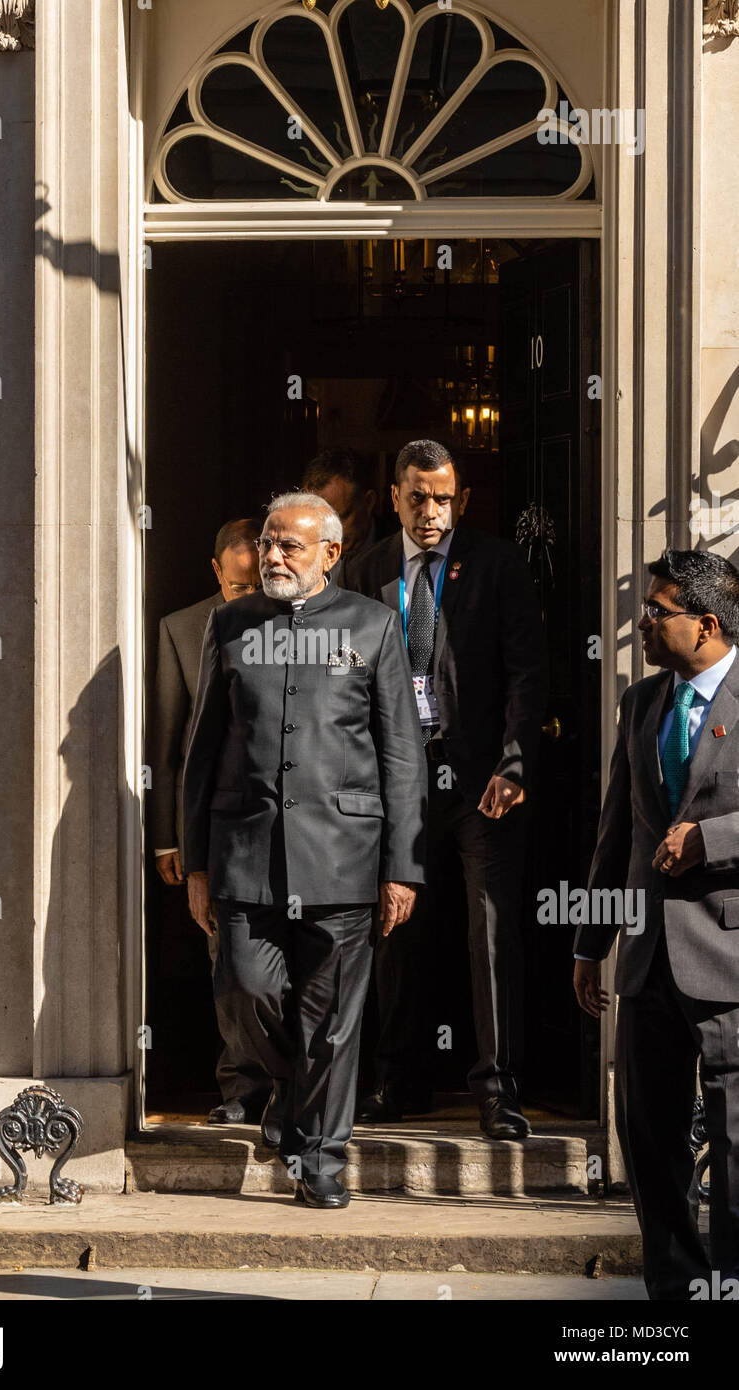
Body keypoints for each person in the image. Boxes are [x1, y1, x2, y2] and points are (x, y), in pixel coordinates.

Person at [182, 493, 426, 1208]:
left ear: (329, 553)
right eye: (267, 542)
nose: (272, 555)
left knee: (331, 1021)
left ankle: (320, 1154)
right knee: (244, 990)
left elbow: (402, 756)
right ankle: (291, 1098)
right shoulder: (229, 623)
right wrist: (196, 861)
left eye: (289, 545)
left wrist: (402, 866)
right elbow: (201, 751)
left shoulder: (374, 625)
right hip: (242, 854)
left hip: (345, 858)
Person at [344, 439, 546, 1138]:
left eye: (442, 499)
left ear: (458, 500)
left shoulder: (494, 563)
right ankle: (395, 1081)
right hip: (392, 781)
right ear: (393, 497)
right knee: (395, 932)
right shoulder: (365, 570)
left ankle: (496, 1089)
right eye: (416, 498)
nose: (430, 512)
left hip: (480, 780)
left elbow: (526, 672)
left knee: (489, 931)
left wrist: (515, 762)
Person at [574, 548, 739, 1301]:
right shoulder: (639, 703)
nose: (639, 623)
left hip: (728, 959)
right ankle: (674, 1293)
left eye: (655, 611)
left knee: (734, 1143)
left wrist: (715, 839)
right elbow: (617, 834)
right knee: (649, 1139)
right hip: (645, 961)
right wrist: (589, 940)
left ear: (705, 624)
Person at [152, 516, 268, 1125]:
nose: (249, 598)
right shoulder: (181, 629)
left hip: (284, 825)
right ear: (217, 572)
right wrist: (169, 839)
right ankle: (241, 1088)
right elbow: (170, 743)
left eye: (259, 587)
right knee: (228, 959)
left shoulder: (293, 625)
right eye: (237, 586)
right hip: (217, 829)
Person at [302, 448, 395, 559]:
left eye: (341, 516)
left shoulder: (400, 551)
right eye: (319, 520)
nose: (329, 533)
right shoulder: (302, 552)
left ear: (369, 502)